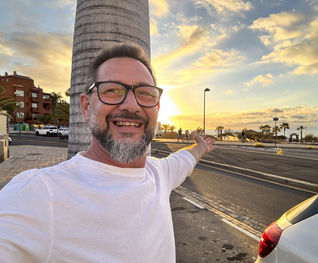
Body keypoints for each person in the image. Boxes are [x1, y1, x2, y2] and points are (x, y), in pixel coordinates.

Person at [0, 43, 216, 263]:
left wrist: (201, 146)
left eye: (145, 93)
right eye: (112, 90)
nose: (132, 105)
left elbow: (186, 158)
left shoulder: (160, 173)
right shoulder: (39, 194)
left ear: (157, 109)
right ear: (86, 107)